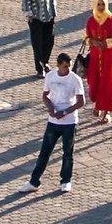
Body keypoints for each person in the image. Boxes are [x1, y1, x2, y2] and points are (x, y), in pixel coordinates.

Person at [28, 51, 85, 194]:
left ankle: (66, 181)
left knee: (67, 153)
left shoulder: (75, 79)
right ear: (58, 65)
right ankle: (34, 182)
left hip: (69, 122)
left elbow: (81, 101)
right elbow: (45, 95)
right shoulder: (50, 76)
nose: (68, 69)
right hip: (53, 121)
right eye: (65, 66)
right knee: (44, 152)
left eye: (69, 66)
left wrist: (65, 112)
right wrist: (50, 108)